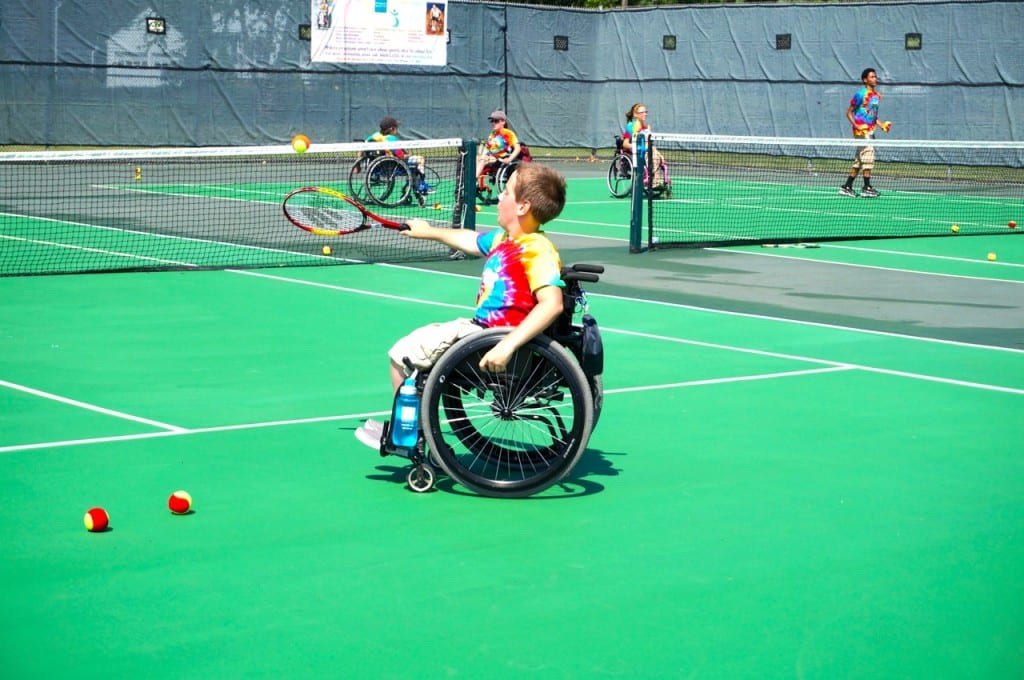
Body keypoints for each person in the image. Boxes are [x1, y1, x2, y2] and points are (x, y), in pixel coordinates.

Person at [354, 162, 567, 449]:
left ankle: (408, 435)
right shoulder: (507, 239)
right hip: (481, 333)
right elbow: (470, 239)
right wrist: (430, 231)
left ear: (522, 207)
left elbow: (552, 304)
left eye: (505, 193)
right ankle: (411, 426)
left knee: (402, 354)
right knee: (423, 339)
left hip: (491, 339)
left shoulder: (536, 251)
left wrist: (506, 346)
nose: (499, 197)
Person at [840, 68, 891, 198]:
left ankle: (847, 186)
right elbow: (849, 113)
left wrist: (882, 125)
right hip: (861, 132)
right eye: (872, 77)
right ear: (865, 80)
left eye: (875, 76)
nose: (875, 79)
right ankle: (866, 187)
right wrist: (857, 126)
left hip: (870, 131)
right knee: (868, 156)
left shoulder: (876, 96)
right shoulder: (860, 94)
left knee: (860, 159)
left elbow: (872, 115)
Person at [365, 116, 431, 195]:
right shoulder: (391, 139)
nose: (397, 129)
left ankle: (414, 186)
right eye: (396, 127)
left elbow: (361, 149)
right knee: (420, 159)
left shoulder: (373, 137)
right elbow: (401, 156)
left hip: (377, 167)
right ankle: (421, 184)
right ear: (391, 129)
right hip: (393, 166)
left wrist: (357, 167)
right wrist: (408, 155)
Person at [621, 103, 667, 192]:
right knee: (653, 157)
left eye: (646, 112)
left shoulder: (647, 127)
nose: (645, 114)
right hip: (638, 152)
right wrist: (637, 147)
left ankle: (656, 182)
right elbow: (625, 144)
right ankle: (654, 182)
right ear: (635, 114)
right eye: (642, 112)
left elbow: (650, 143)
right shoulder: (631, 126)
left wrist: (658, 153)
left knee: (658, 157)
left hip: (650, 150)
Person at [475, 110, 521, 189]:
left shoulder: (508, 133)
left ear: (503, 121)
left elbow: (518, 148)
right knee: (477, 158)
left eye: (496, 121)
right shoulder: (492, 134)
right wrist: (483, 154)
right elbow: (487, 148)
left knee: (483, 160)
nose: (493, 123)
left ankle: (473, 180)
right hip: (491, 158)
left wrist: (510, 159)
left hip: (501, 159)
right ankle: (479, 183)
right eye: (492, 121)